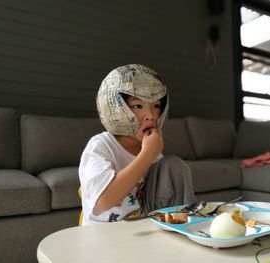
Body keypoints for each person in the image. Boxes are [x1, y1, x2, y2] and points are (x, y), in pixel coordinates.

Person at [79, 64, 196, 225]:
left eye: (156, 106)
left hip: (140, 227)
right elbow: (104, 201)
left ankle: (184, 226)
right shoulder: (100, 145)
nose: (150, 115)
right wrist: (147, 155)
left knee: (173, 165)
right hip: (102, 236)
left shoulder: (151, 150)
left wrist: (151, 153)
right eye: (137, 106)